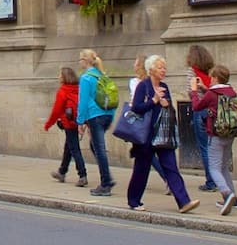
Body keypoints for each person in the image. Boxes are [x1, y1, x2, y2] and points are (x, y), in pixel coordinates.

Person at [125, 55, 199, 213]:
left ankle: (184, 202)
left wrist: (166, 104)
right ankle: (133, 200)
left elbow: (167, 108)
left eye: (164, 67)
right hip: (146, 136)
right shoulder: (143, 86)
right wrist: (153, 100)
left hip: (163, 134)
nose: (163, 70)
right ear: (151, 70)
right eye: (160, 67)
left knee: (171, 167)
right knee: (141, 170)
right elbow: (136, 108)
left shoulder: (164, 86)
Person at [192, 65, 237, 215]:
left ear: (215, 78)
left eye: (211, 77)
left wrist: (194, 91)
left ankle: (227, 194)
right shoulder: (231, 91)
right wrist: (205, 88)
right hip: (230, 133)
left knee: (214, 168)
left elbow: (197, 106)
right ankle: (234, 200)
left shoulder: (212, 94)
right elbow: (215, 99)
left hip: (215, 134)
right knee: (224, 167)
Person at [77, 49, 117, 196]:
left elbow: (83, 102)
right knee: (95, 146)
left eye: (80, 59)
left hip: (95, 116)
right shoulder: (102, 75)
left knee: (99, 149)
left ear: (85, 61)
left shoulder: (86, 78)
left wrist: (80, 121)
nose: (79, 62)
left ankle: (106, 183)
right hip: (107, 114)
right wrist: (110, 117)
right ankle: (107, 178)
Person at [184, 46, 220, 194]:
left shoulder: (192, 72)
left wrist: (195, 91)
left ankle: (211, 181)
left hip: (200, 110)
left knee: (204, 147)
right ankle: (218, 178)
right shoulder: (211, 73)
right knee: (214, 147)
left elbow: (190, 91)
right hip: (213, 111)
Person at [46, 67, 86, 186]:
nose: (58, 77)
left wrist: (48, 124)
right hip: (77, 121)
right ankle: (62, 172)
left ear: (65, 77)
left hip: (68, 123)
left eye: (60, 75)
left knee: (74, 149)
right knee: (68, 147)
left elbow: (56, 110)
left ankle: (82, 175)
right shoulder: (78, 89)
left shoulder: (63, 91)